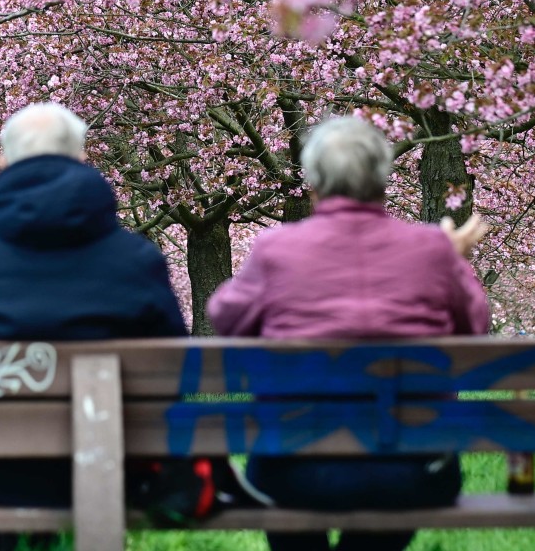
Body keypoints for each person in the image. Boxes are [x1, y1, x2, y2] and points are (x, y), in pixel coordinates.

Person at [0, 102, 186, 551]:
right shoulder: (136, 260)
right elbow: (177, 377)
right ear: (83, 160)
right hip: (112, 477)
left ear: (3, 163)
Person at [207, 115, 491, 551]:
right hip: (411, 471)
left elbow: (225, 318)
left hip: (293, 471)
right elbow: (475, 328)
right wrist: (452, 260)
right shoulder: (433, 250)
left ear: (315, 184)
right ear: (384, 181)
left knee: (284, 477)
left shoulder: (276, 250)